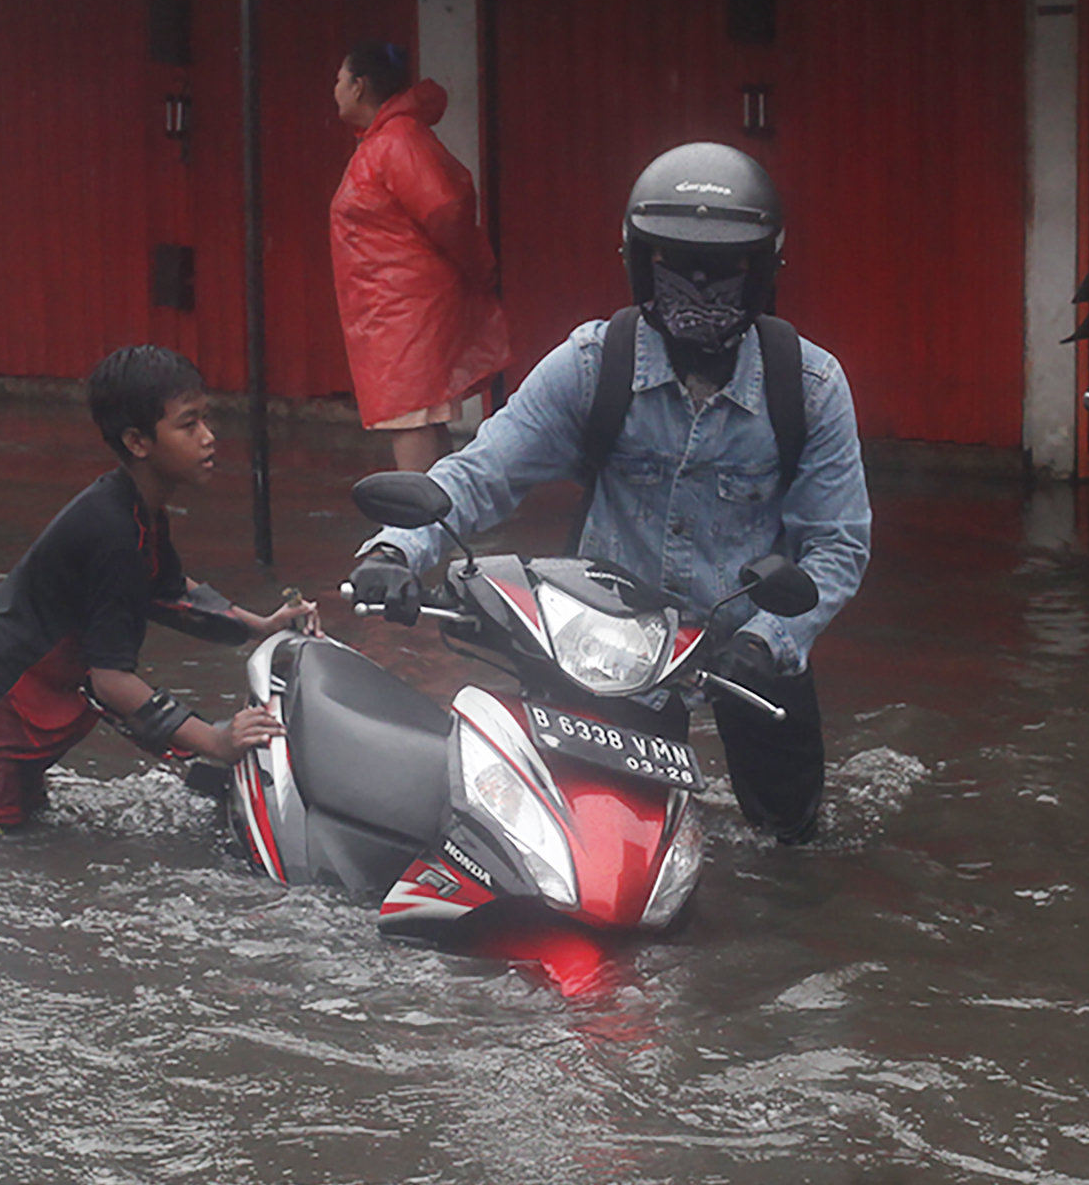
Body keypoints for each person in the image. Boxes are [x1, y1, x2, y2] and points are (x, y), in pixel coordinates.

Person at [347, 143, 871, 844]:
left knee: (793, 851)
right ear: (638, 262)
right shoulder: (593, 367)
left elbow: (835, 544)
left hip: (748, 657)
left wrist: (769, 639)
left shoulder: (810, 388)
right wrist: (395, 551)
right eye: (676, 267)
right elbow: (480, 475)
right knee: (586, 843)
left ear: (763, 272)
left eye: (724, 272)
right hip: (611, 652)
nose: (701, 289)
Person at [0, 346, 315, 837]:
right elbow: (112, 682)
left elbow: (167, 593)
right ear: (137, 442)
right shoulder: (113, 529)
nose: (209, 438)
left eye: (207, 420)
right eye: (189, 425)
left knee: (28, 836)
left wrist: (261, 628)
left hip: (14, 696)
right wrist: (215, 740)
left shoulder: (138, 510)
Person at [328, 40, 511, 474]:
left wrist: (478, 268)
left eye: (339, 80)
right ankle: (441, 523)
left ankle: (417, 528)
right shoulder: (386, 141)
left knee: (411, 417)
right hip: (394, 307)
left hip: (406, 309)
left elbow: (445, 210)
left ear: (358, 87)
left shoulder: (397, 141)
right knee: (422, 417)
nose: (334, 90)